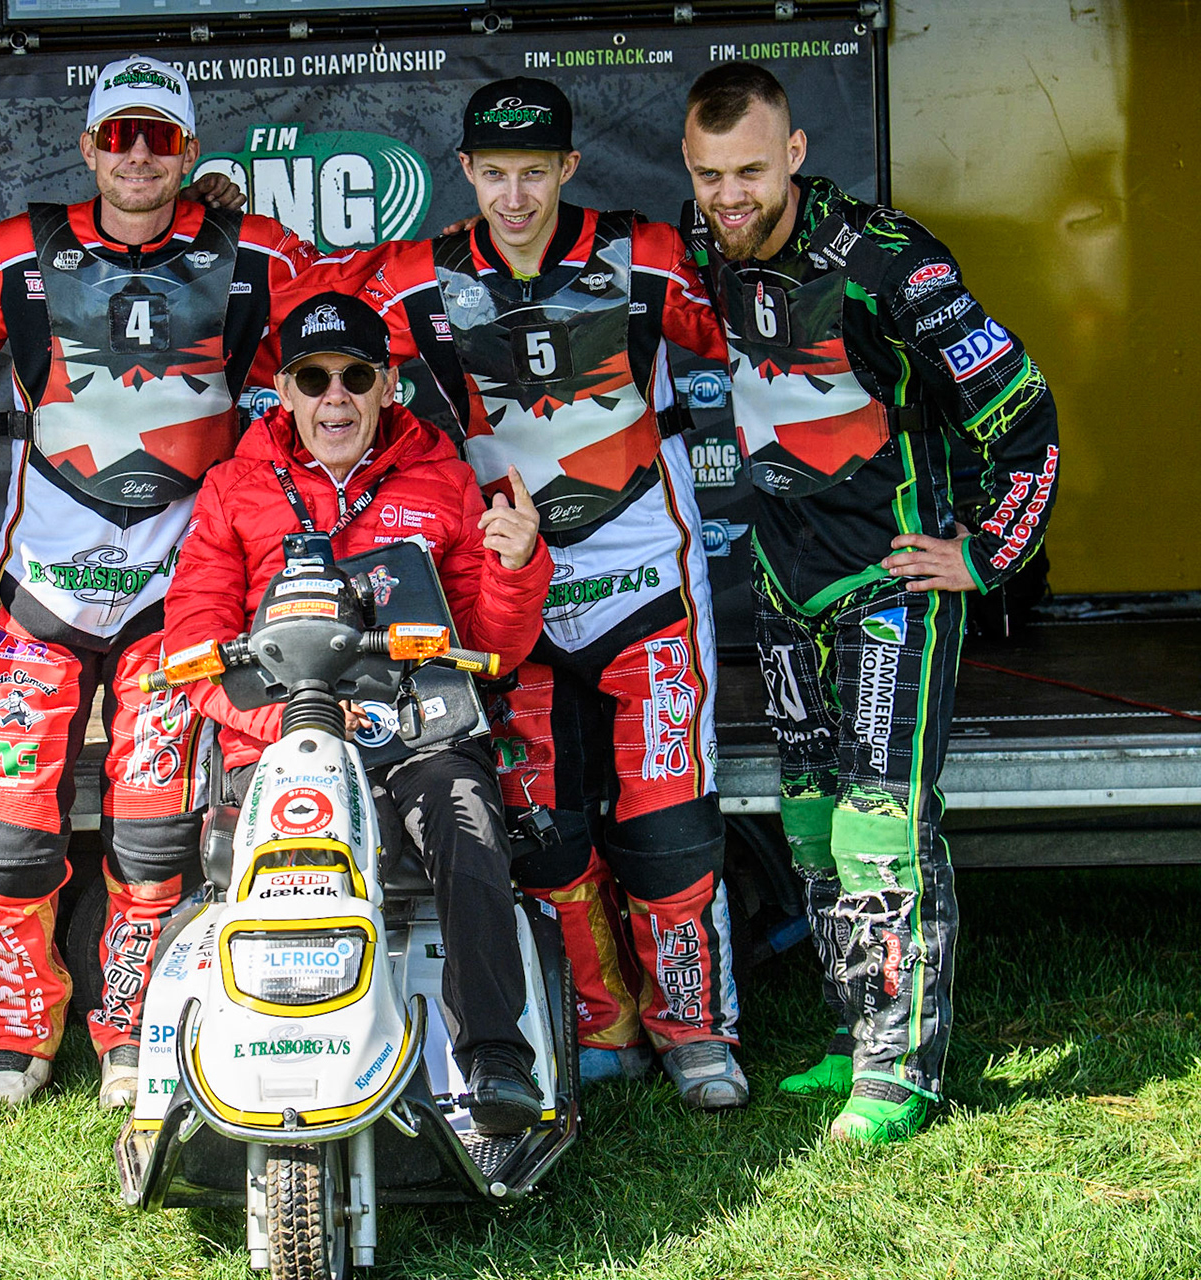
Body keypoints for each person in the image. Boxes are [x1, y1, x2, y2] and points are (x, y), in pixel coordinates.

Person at [341, 77, 746, 1108]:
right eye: (493, 173)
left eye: (534, 172)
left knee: (666, 822)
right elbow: (304, 354)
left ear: (569, 167)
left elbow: (755, 346)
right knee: (543, 829)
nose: (514, 195)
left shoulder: (650, 256)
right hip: (508, 592)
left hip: (645, 576)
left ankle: (696, 1031)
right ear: (465, 171)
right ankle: (599, 1022)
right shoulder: (410, 277)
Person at [680, 63, 1059, 1142]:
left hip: (887, 583)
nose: (730, 196)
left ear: (794, 154)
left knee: (879, 818)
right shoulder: (704, 237)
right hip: (781, 576)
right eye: (711, 176)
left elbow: (1022, 413)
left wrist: (984, 555)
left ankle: (904, 1068)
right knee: (809, 820)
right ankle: (855, 1027)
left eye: (751, 171)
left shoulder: (891, 266)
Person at [0, 57, 316, 1121]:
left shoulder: (258, 253)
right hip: (43, 593)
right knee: (10, 835)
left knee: (154, 839)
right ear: (88, 147)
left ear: (191, 152)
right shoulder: (15, 252)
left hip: (175, 597)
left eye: (162, 139)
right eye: (121, 138)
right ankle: (14, 1041)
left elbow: (355, 336)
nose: (140, 158)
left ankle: (132, 1031)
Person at [165, 290, 552, 1132]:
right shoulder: (234, 488)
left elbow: (492, 643)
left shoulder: (447, 482)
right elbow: (194, 636)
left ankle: (493, 1057)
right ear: (285, 392)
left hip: (416, 733)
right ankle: (232, 1053)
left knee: (469, 821)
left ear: (387, 386)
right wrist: (298, 727)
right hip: (277, 736)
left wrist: (518, 568)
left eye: (354, 377)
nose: (333, 397)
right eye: (313, 378)